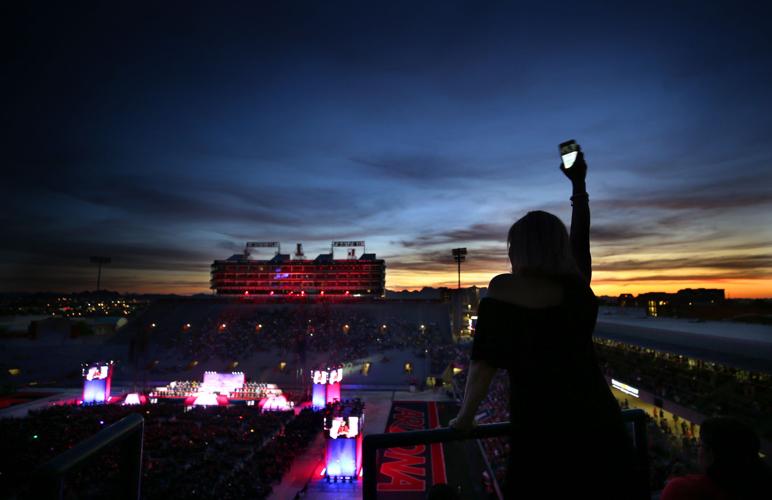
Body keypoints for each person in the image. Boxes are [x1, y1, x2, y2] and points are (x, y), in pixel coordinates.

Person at [449, 148, 640, 499]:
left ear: (517, 251)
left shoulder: (503, 289)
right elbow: (581, 238)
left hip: (543, 431)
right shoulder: (578, 288)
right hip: (602, 428)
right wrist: (579, 185)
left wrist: (465, 417)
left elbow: (483, 362)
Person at [661, 416, 772, 500]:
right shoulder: (761, 486)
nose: (697, 450)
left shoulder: (681, 490)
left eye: (700, 445)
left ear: (712, 453)